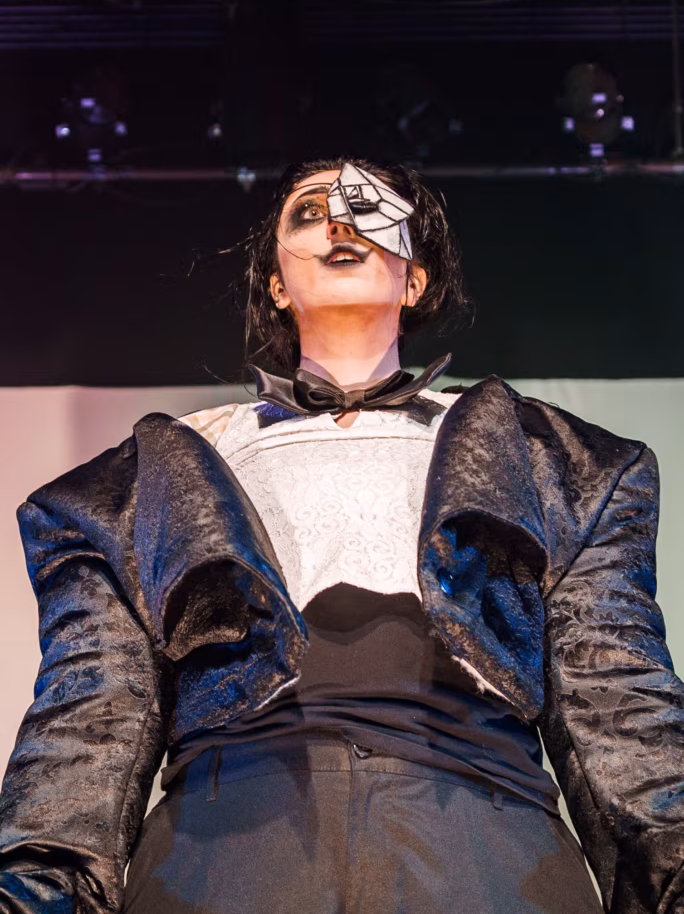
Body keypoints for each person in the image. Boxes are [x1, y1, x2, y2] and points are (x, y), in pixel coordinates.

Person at [0, 157, 682, 914]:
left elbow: (616, 704)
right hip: (225, 854)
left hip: (486, 849)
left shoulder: (556, 464)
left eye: (370, 210)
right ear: (277, 284)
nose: (339, 223)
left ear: (415, 279)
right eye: (310, 211)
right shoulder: (151, 476)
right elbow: (93, 723)